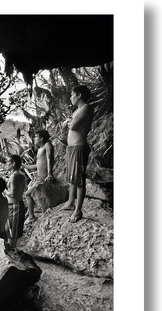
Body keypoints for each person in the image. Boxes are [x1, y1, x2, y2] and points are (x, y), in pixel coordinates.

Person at [60, 85, 94, 223]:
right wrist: (69, 121)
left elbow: (73, 126)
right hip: (72, 147)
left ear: (79, 95)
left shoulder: (86, 108)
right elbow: (70, 124)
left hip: (79, 147)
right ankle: (70, 202)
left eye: (72, 95)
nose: (70, 97)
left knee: (79, 179)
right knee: (72, 177)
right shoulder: (77, 111)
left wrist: (68, 121)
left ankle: (78, 210)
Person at [22, 129, 55, 222]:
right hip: (38, 178)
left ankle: (31, 217)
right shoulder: (40, 149)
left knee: (27, 194)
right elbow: (38, 165)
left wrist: (49, 174)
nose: (34, 138)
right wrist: (25, 166)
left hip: (43, 178)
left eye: (36, 137)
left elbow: (49, 160)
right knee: (28, 193)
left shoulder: (47, 145)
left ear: (41, 138)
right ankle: (29, 213)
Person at [3, 154, 26, 248]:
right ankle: (10, 255)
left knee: (12, 235)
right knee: (10, 232)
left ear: (13, 164)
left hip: (15, 206)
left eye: (8, 162)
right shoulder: (19, 175)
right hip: (15, 206)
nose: (6, 164)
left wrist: (3, 189)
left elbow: (12, 194)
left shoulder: (14, 176)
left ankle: (11, 257)